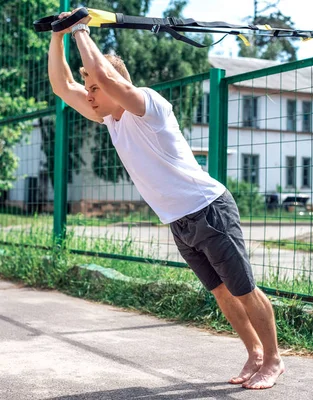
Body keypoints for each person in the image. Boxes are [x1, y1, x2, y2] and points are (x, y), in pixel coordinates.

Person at [48, 9, 285, 390]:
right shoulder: (111, 119)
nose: (88, 94)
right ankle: (254, 353)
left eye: (92, 87)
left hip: (209, 210)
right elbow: (62, 87)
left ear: (113, 86)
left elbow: (106, 75)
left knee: (243, 289)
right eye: (89, 88)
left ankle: (274, 360)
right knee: (222, 293)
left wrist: (80, 31)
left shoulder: (148, 106)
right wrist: (59, 36)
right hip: (179, 221)